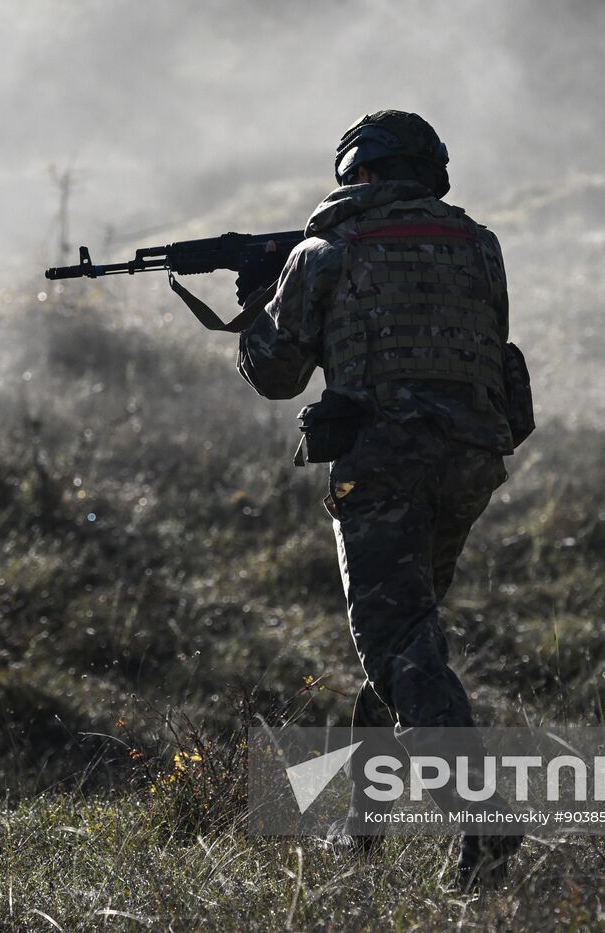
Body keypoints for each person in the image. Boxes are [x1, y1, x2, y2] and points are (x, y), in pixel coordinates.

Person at [234, 110, 525, 888]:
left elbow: (277, 375)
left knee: (396, 642)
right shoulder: (480, 245)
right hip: (470, 461)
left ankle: (483, 818)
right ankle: (365, 828)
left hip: (383, 464)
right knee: (407, 635)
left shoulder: (325, 251)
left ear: (359, 172)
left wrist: (259, 304)